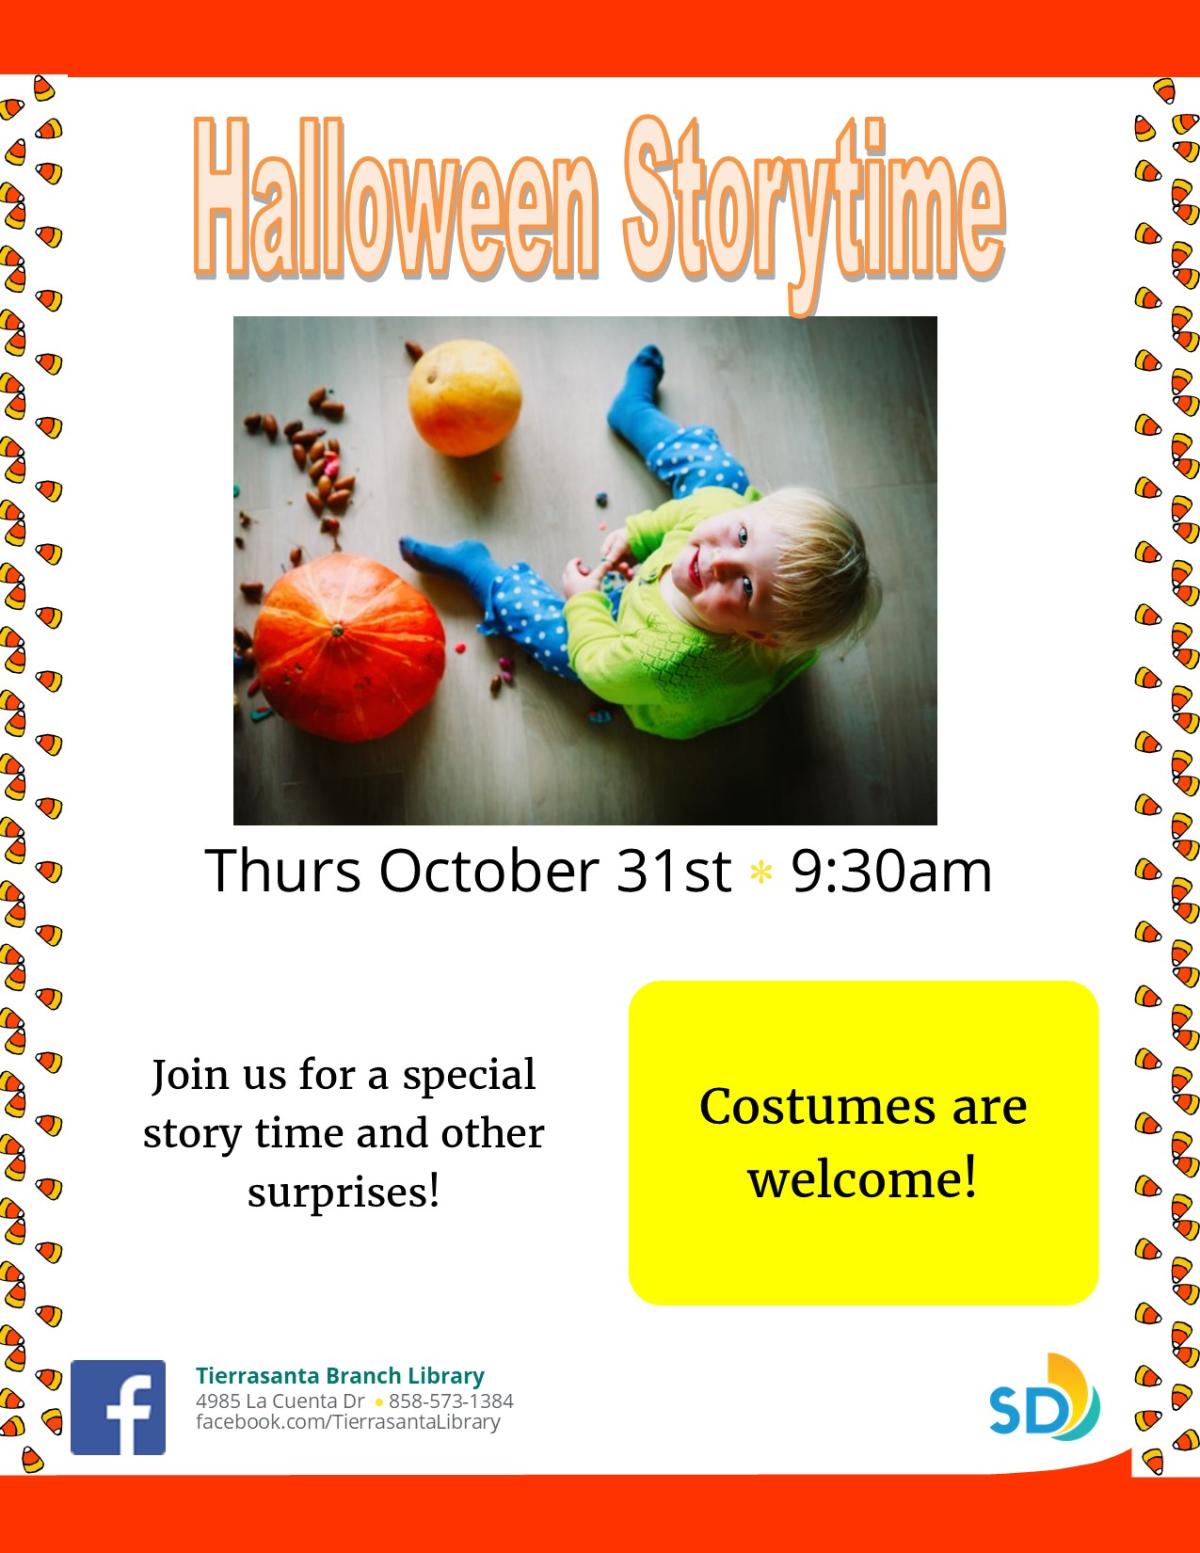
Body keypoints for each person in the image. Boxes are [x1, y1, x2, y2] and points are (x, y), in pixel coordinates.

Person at [400, 346, 879, 740]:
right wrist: (640, 533)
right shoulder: (721, 512)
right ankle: (633, 414)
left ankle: (481, 573)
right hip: (683, 587)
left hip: (621, 641)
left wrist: (586, 604)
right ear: (754, 511)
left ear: (757, 636)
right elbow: (685, 515)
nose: (719, 560)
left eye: (747, 588)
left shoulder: (663, 662)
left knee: (563, 645)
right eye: (743, 534)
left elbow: (598, 666)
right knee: (722, 479)